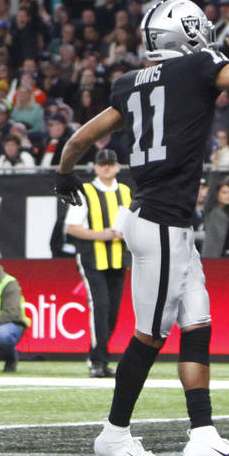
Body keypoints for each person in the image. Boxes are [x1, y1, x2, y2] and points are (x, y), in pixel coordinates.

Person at [54, 0, 229, 456]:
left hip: (155, 218)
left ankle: (203, 433)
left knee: (197, 323)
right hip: (163, 222)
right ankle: (114, 433)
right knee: (149, 335)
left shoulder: (129, 82)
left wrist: (65, 174)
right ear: (187, 32)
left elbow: (77, 140)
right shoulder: (196, 67)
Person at [64, 149, 131, 378]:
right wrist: (101, 234)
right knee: (100, 307)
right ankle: (98, 359)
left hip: (118, 258)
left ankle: (98, 355)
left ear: (117, 167)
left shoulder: (125, 191)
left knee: (112, 310)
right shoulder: (85, 191)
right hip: (92, 257)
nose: (106, 167)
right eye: (103, 164)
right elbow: (72, 227)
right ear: (95, 167)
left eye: (110, 164)